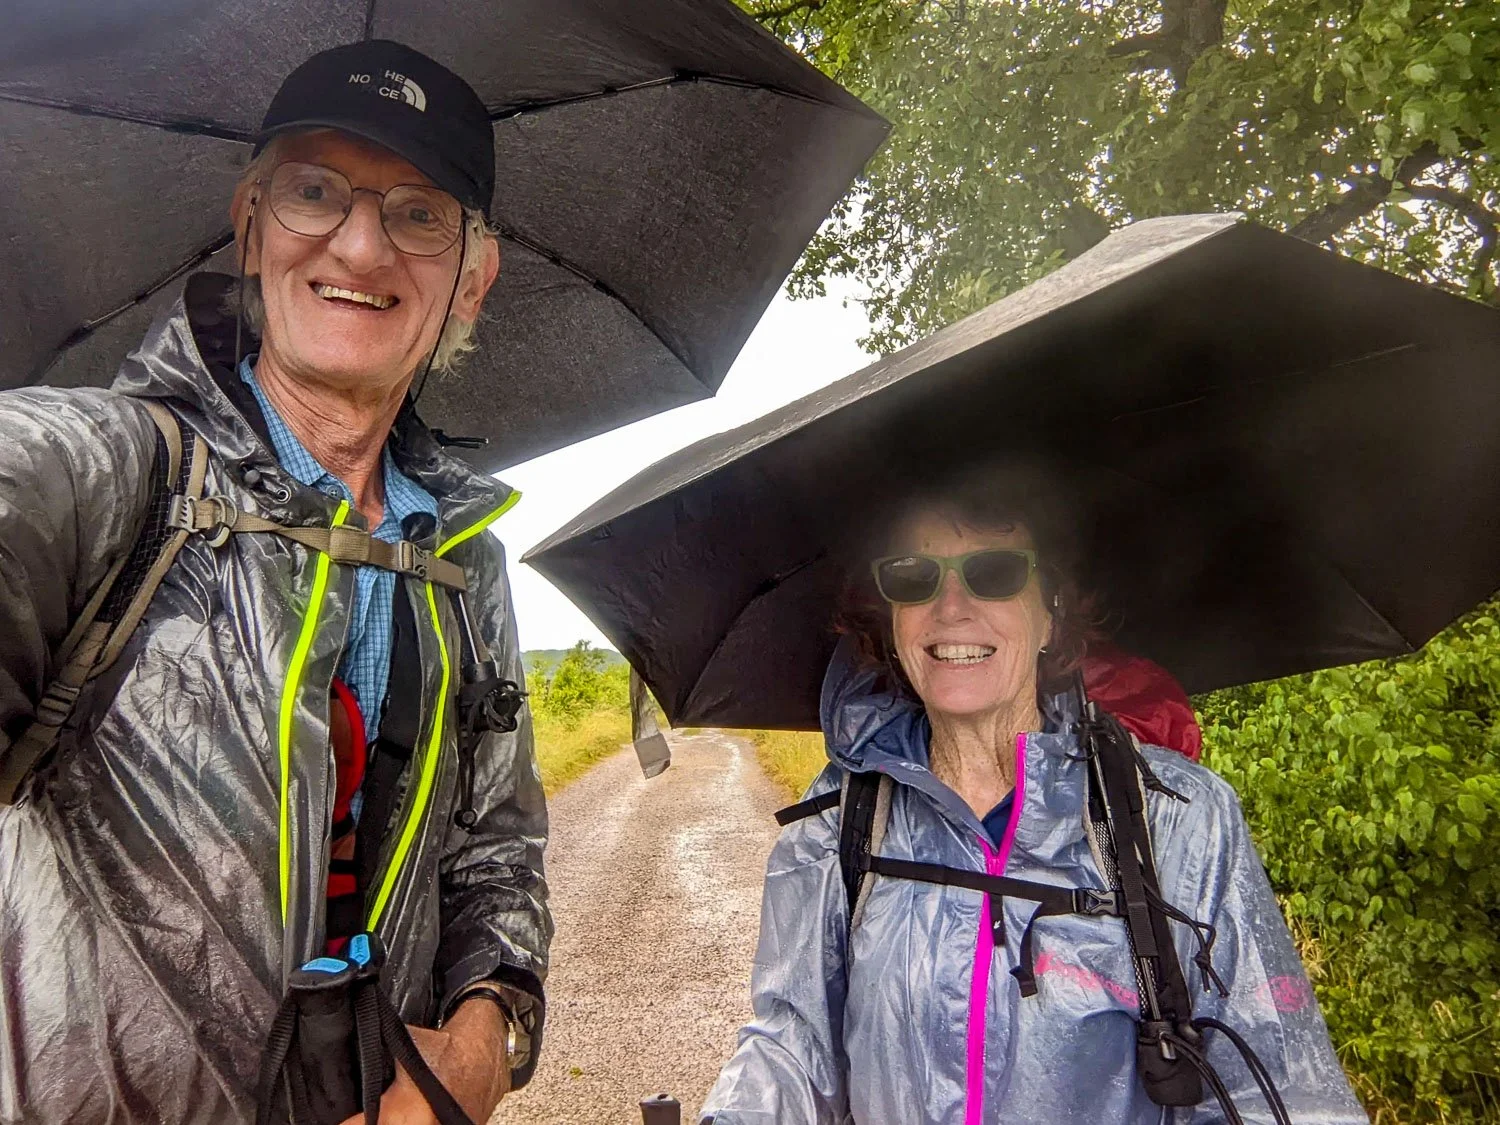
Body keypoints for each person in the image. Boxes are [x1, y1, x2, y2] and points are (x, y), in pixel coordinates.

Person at [0, 41, 549, 1124]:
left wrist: (489, 1032)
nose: (360, 242)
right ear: (250, 226)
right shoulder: (108, 473)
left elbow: (496, 845)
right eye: (314, 192)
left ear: (472, 281)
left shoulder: (463, 559)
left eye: (420, 212)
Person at [700, 470, 1369, 1123]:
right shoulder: (839, 820)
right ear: (890, 617)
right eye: (914, 574)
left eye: (994, 572)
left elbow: (1279, 1090)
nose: (950, 606)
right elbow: (793, 1044)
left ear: (1051, 612)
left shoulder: (1178, 817)